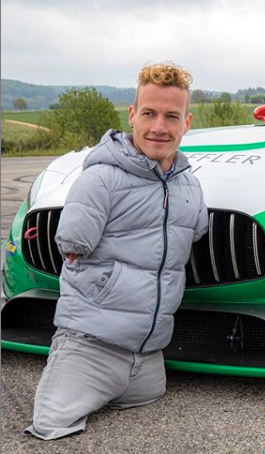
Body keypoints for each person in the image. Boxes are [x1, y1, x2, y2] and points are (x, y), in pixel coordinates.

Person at [25, 62, 208, 440]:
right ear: (132, 116)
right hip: (91, 345)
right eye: (149, 114)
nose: (159, 127)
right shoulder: (100, 178)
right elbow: (72, 250)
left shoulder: (189, 185)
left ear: (187, 122)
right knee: (51, 426)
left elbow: (192, 237)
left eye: (172, 116)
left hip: (149, 353)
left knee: (150, 400)